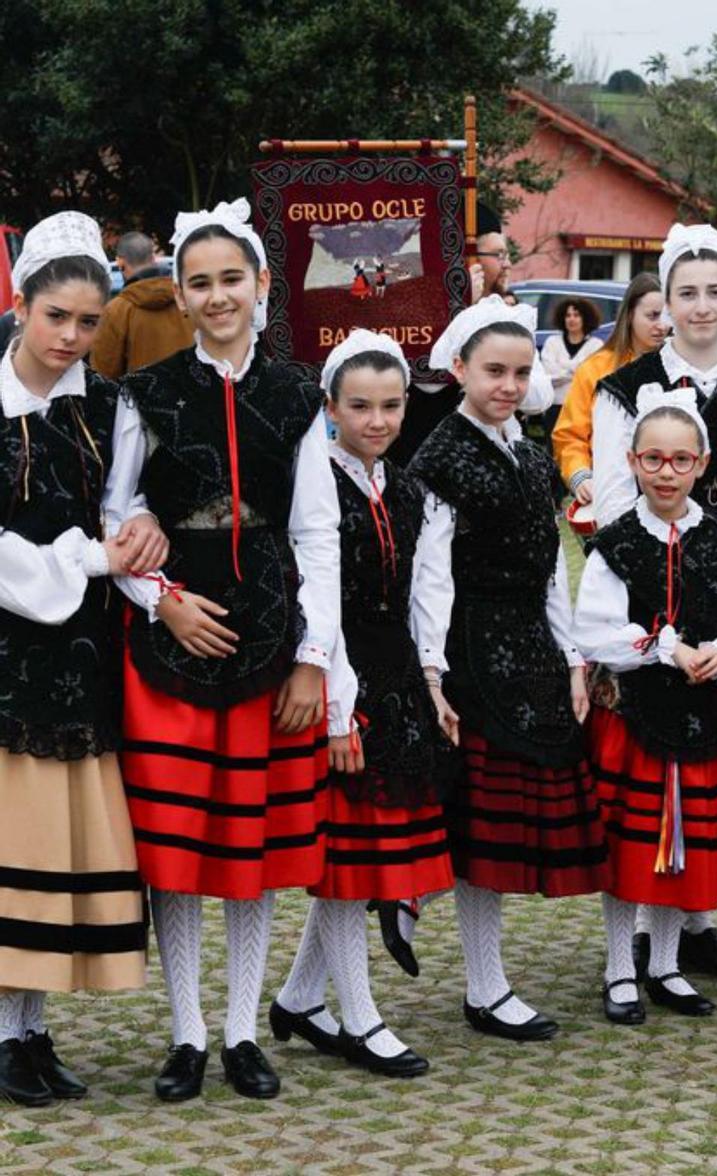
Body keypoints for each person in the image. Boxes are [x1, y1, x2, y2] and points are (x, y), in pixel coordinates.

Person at [112, 198, 341, 1102]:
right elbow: (118, 513)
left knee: (249, 854)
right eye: (198, 283)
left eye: (230, 280)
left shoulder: (295, 392)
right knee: (179, 855)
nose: (215, 297)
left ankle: (244, 1031)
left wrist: (314, 656)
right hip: (172, 649)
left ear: (262, 286)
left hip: (268, 645)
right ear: (182, 291)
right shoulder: (149, 390)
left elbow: (317, 531)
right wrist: (162, 601)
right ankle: (186, 1034)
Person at [590, 223, 717, 979]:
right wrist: (643, 583)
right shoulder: (627, 387)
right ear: (663, 303)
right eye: (687, 293)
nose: (702, 307)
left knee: (710, 750)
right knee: (650, 752)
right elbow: (613, 494)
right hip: (648, 572)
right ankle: (643, 925)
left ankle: (696, 918)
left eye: (715, 292)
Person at [407, 296, 608, 1041]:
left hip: (529, 651)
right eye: (494, 370)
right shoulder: (438, 458)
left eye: (522, 372)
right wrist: (430, 672)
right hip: (467, 650)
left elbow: (551, 562)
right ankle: (485, 988)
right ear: (459, 369)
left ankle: (306, 991)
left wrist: (573, 656)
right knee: (472, 833)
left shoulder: (528, 453)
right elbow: (430, 577)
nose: (509, 384)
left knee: (485, 831)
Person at [0, 212, 167, 1106]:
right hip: (7, 655)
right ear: (21, 305)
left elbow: (122, 504)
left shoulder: (107, 405)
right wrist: (93, 558)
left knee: (52, 855)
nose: (71, 337)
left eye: (87, 322)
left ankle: (26, 1031)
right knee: (10, 844)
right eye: (56, 316)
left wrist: (134, 528)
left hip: (80, 655)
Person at [272, 331, 456, 1079]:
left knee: (373, 856)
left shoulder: (411, 491)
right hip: (343, 678)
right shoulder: (314, 481)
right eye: (359, 406)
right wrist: (340, 708)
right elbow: (320, 598)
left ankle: (298, 999)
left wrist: (434, 682)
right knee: (351, 861)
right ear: (330, 408)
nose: (377, 421)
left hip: (401, 682)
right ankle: (360, 1015)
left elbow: (424, 595)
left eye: (390, 405)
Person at [575, 392, 717, 1023]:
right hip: (634, 718)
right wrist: (665, 649)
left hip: (703, 717)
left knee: (680, 846)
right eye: (653, 459)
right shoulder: (615, 542)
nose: (666, 471)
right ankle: (617, 967)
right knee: (630, 847)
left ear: (702, 464)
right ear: (633, 461)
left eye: (680, 460)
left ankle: (664, 964)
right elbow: (594, 629)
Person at [393, 204, 552, 465]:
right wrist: (459, 310)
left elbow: (539, 398)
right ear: (468, 260)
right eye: (499, 255)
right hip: (428, 454)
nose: (508, 264)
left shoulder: (510, 316)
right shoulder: (423, 314)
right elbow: (429, 381)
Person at [552, 272, 666, 506]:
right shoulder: (596, 368)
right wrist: (580, 476)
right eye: (653, 316)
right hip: (611, 496)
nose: (662, 325)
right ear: (630, 314)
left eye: (667, 316)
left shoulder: (680, 367)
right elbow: (570, 436)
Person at [90, 231, 192, 379]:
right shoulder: (188, 300)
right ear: (153, 258)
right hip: (193, 397)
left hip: (140, 399)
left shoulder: (116, 311)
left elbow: (104, 374)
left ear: (120, 263)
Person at [540, 297, 604, 419]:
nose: (571, 319)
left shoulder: (596, 345)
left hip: (582, 408)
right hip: (555, 408)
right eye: (568, 315)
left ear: (585, 318)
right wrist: (576, 371)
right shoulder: (552, 342)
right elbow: (548, 376)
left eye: (576, 315)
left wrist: (562, 372)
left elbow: (592, 379)